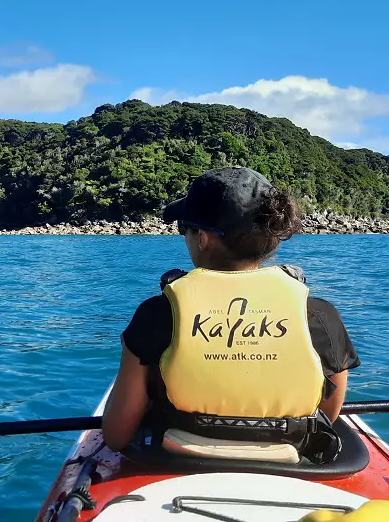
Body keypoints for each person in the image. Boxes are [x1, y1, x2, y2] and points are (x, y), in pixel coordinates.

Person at [102, 166, 360, 463]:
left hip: (178, 460)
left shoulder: (156, 313)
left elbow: (116, 435)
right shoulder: (320, 316)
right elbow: (328, 412)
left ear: (203, 238)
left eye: (183, 228)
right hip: (290, 462)